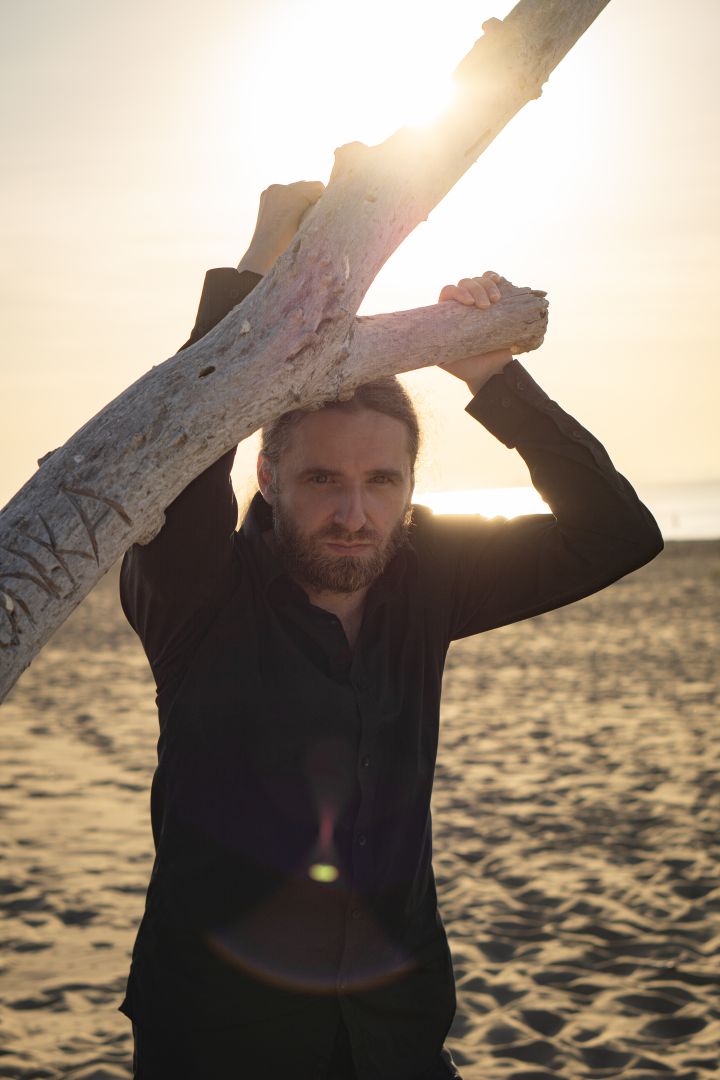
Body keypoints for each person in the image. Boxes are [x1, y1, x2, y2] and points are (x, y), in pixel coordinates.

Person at [119, 181, 663, 1079]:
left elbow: (618, 535)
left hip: (395, 1031)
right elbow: (183, 431)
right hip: (219, 1038)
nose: (355, 515)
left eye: (382, 482)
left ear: (411, 484)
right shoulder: (196, 591)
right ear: (268, 476)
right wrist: (258, 264)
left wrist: (491, 376)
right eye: (323, 480)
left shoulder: (425, 573)